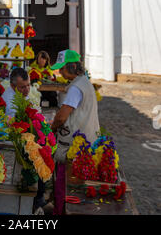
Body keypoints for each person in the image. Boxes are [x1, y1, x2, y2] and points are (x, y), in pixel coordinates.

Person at [50, 49, 100, 215]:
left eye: (62, 68)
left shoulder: (75, 88)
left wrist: (52, 128)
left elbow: (62, 116)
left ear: (71, 67)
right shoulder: (84, 82)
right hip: (88, 138)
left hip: (74, 144)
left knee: (65, 185)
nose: (60, 72)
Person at [2, 67, 46, 211]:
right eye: (23, 87)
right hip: (12, 140)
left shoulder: (20, 93)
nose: (27, 89)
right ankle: (35, 200)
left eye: (28, 85)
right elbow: (15, 122)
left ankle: (38, 197)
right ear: (13, 86)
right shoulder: (9, 100)